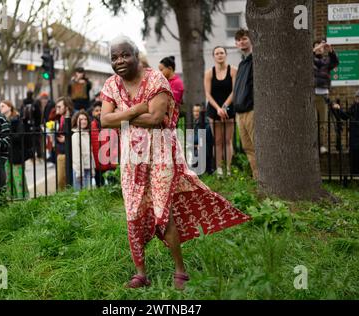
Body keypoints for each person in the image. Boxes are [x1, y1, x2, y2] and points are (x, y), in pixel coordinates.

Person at [100, 36, 251, 290]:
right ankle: (141, 274)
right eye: (114, 57)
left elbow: (156, 117)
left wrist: (120, 116)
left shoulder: (156, 79)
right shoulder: (111, 84)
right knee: (133, 213)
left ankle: (180, 271)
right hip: (131, 160)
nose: (119, 61)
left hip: (161, 155)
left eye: (125, 55)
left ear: (137, 55)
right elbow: (105, 120)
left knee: (162, 211)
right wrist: (137, 109)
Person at [204, 46, 237, 176]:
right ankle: (218, 169)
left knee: (228, 140)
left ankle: (228, 170)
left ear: (226, 54)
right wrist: (218, 108)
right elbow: (207, 93)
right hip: (214, 110)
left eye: (222, 53)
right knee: (217, 141)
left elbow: (235, 91)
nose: (219, 55)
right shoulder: (209, 73)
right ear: (214, 56)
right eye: (217, 53)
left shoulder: (233, 70)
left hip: (229, 109)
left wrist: (224, 107)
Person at [332, 88, 359, 175]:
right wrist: (338, 109)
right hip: (355, 139)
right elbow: (345, 116)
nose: (358, 99)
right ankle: (355, 180)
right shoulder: (354, 108)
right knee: (355, 163)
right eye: (357, 97)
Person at [232, 29, 258, 179]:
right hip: (240, 112)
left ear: (250, 40)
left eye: (244, 39)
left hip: (251, 110)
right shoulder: (242, 63)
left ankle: (264, 180)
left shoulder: (256, 60)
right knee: (248, 147)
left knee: (257, 146)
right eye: (239, 40)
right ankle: (257, 179)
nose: (241, 42)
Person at [313, 39, 339, 154]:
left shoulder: (327, 62)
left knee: (322, 123)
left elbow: (336, 62)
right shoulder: (310, 60)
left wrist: (331, 50)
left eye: (321, 47)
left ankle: (321, 145)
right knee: (312, 121)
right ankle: (312, 146)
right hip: (312, 95)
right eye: (317, 47)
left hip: (323, 95)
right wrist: (314, 50)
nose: (320, 48)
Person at [0, 100, 29, 199]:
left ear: (9, 107)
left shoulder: (17, 119)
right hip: (5, 154)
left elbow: (20, 136)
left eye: (3, 106)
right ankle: (10, 199)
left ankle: (22, 199)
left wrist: (8, 133)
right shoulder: (1, 120)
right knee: (7, 179)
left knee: (18, 179)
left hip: (16, 154)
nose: (0, 108)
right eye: (0, 106)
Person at [90, 100, 117, 187]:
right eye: (96, 110)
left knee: (114, 187)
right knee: (100, 187)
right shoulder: (90, 126)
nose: (99, 112)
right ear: (93, 113)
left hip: (112, 163)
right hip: (98, 165)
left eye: (101, 110)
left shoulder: (113, 124)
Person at [71, 110, 94, 191]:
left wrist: (92, 170)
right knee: (80, 196)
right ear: (76, 121)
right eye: (81, 119)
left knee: (88, 195)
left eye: (85, 119)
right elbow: (76, 156)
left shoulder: (87, 134)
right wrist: (79, 173)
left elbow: (90, 154)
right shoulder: (75, 135)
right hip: (80, 171)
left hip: (88, 169)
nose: (84, 121)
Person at [55, 96, 74, 191]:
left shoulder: (73, 117)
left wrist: (67, 138)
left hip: (71, 153)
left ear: (66, 107)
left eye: (59, 107)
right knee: (61, 180)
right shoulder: (60, 118)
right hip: (61, 151)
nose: (57, 109)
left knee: (65, 180)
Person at [192, 104, 214, 174]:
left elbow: (200, 138)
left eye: (198, 111)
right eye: (194, 111)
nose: (196, 113)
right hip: (200, 146)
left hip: (205, 148)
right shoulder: (197, 122)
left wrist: (193, 142)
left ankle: (204, 170)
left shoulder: (205, 122)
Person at [19, 90, 41, 160]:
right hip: (34, 125)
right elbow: (39, 115)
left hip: (26, 125)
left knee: (30, 142)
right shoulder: (35, 103)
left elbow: (21, 114)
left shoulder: (24, 104)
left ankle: (31, 156)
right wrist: (37, 124)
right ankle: (38, 155)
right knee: (36, 141)